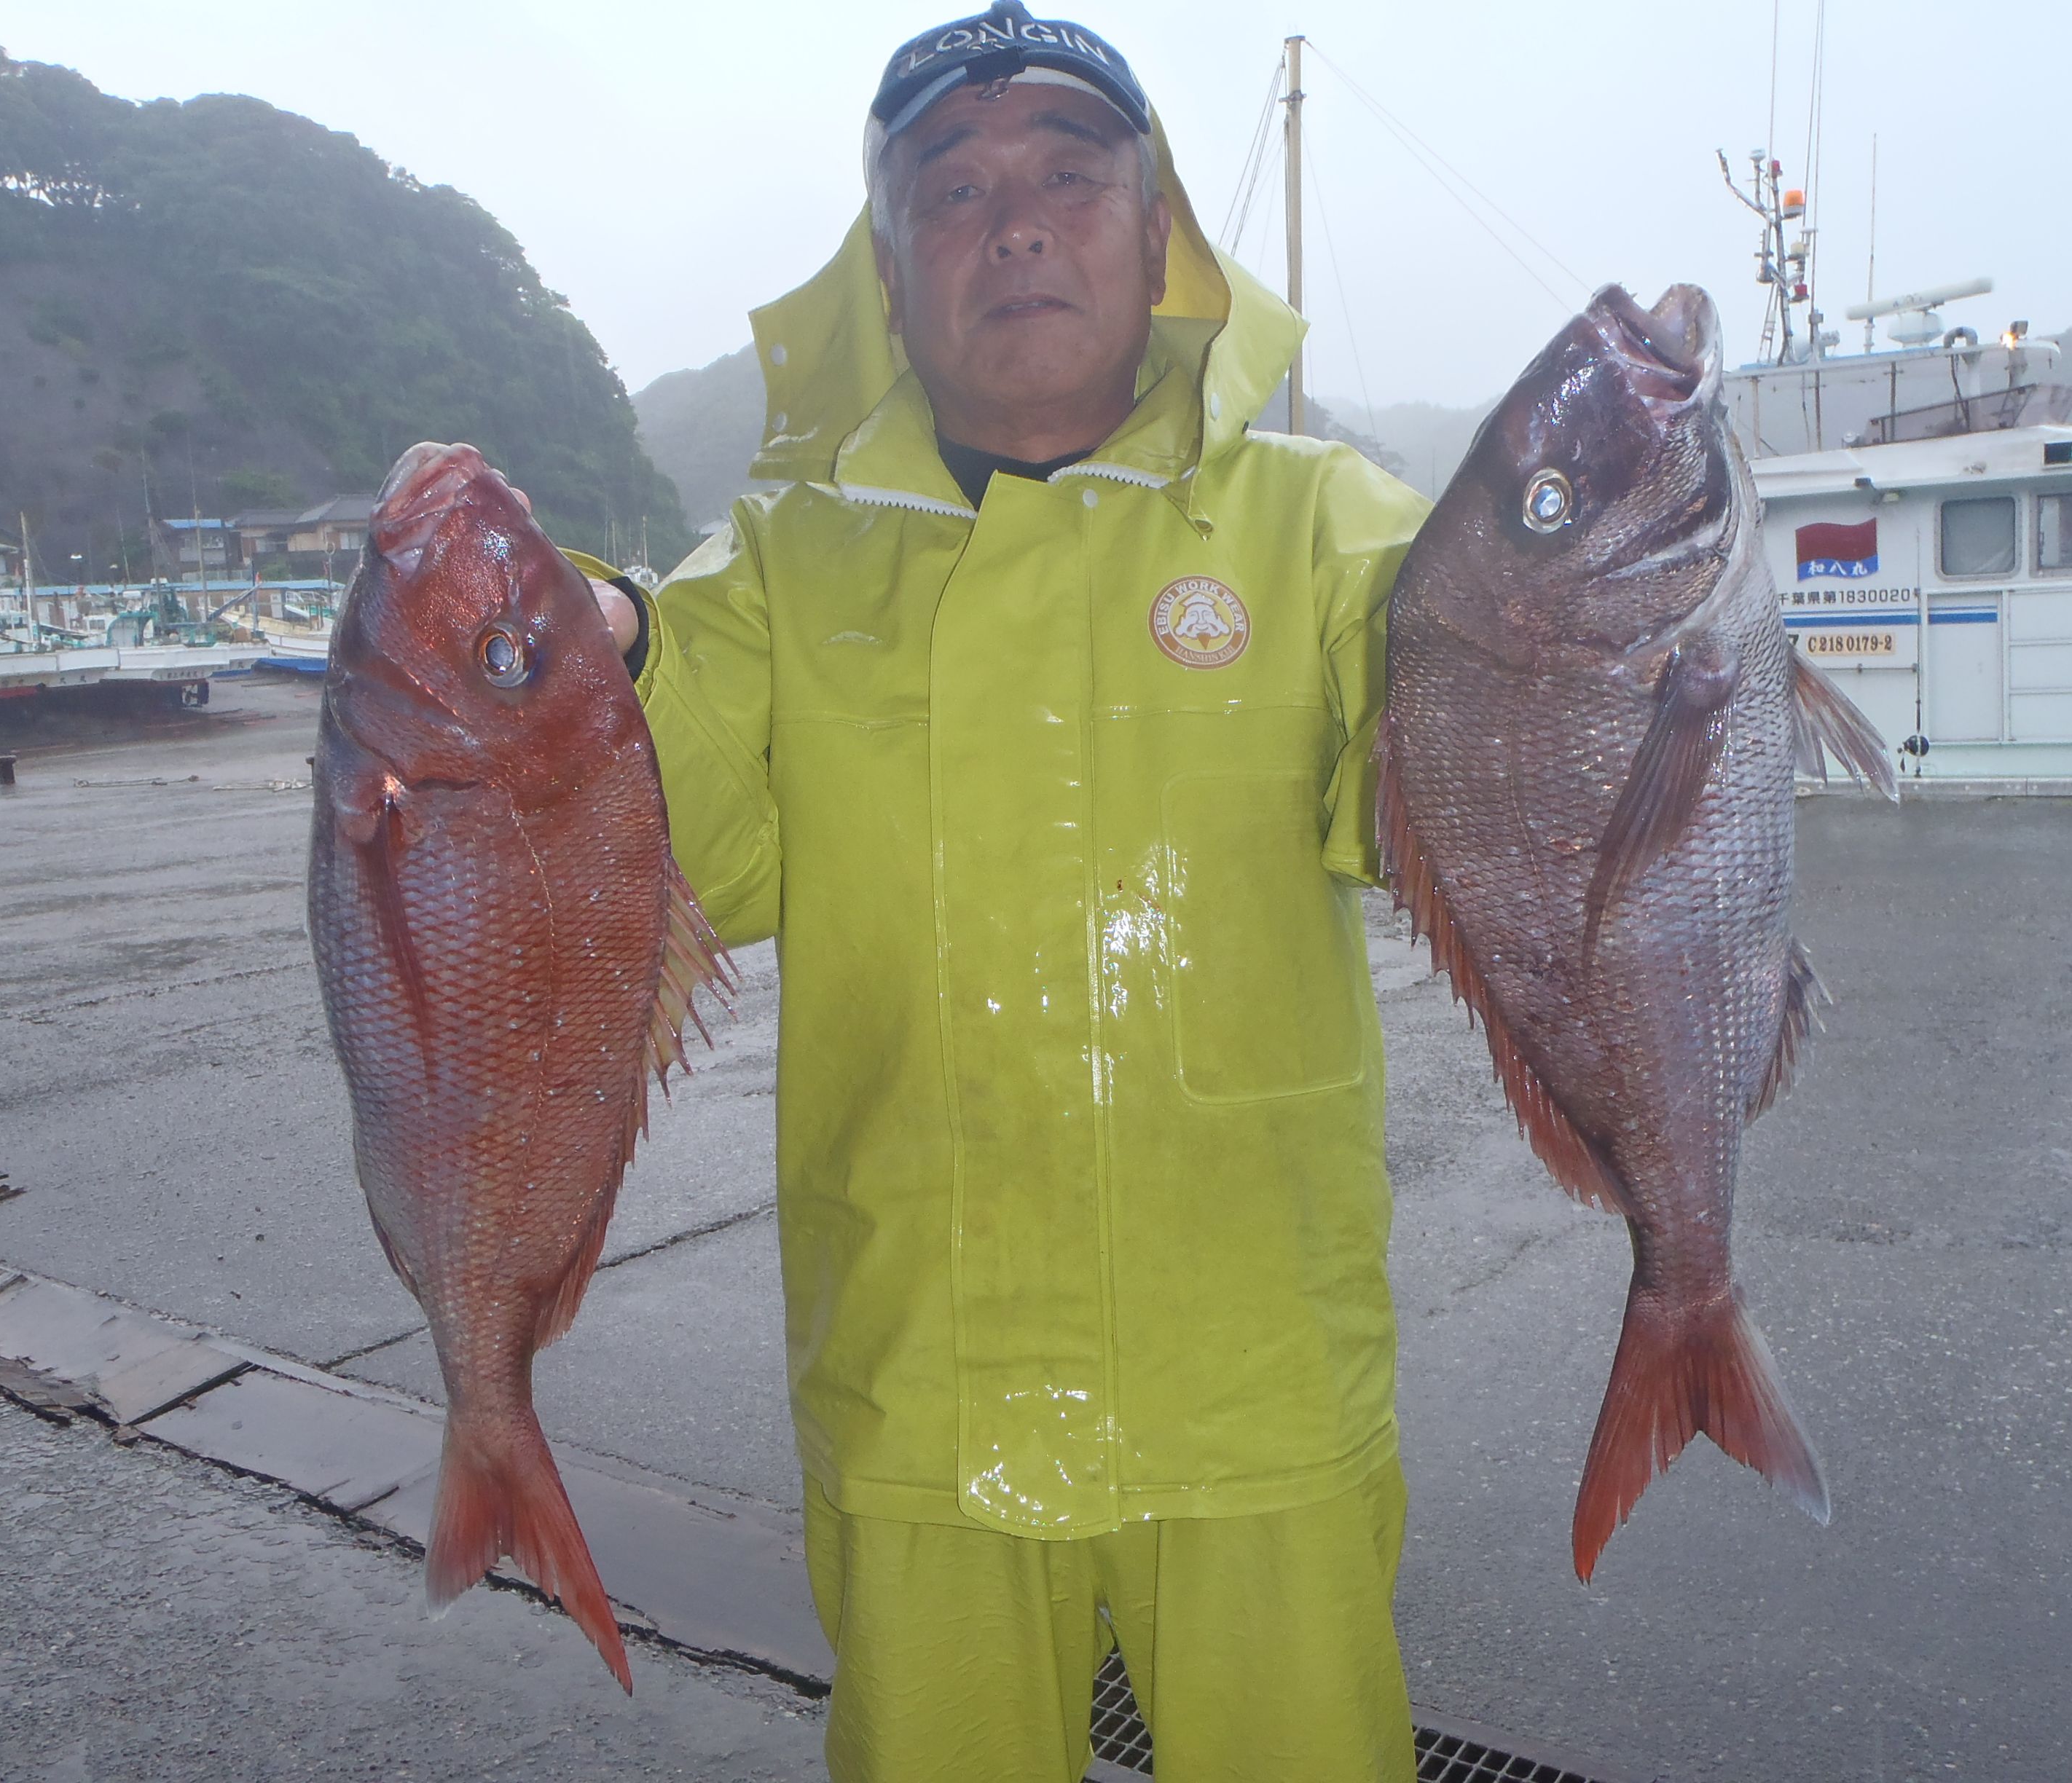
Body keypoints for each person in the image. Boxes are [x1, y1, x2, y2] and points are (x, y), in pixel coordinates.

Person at [576, 7, 1429, 1776]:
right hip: (923, 1390)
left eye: (1069, 175)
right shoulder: (785, 562)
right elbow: (676, 839)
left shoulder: (1326, 525)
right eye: (952, 190)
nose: (1016, 223)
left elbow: (1487, 774)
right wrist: (588, 640)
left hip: (1256, 1384)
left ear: (1158, 233)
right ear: (889, 275)